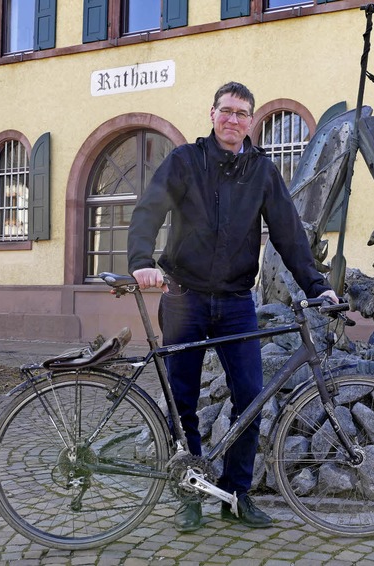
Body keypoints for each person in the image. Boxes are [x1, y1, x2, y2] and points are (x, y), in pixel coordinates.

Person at [127, 81, 338, 532]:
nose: (233, 120)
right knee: (181, 400)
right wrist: (142, 262)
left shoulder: (262, 171)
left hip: (238, 302)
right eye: (226, 110)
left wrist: (316, 286)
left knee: (250, 396)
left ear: (251, 121)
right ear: (212, 113)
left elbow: (289, 234)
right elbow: (148, 211)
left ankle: (237, 495)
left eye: (243, 113)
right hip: (183, 297)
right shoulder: (184, 160)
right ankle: (189, 491)